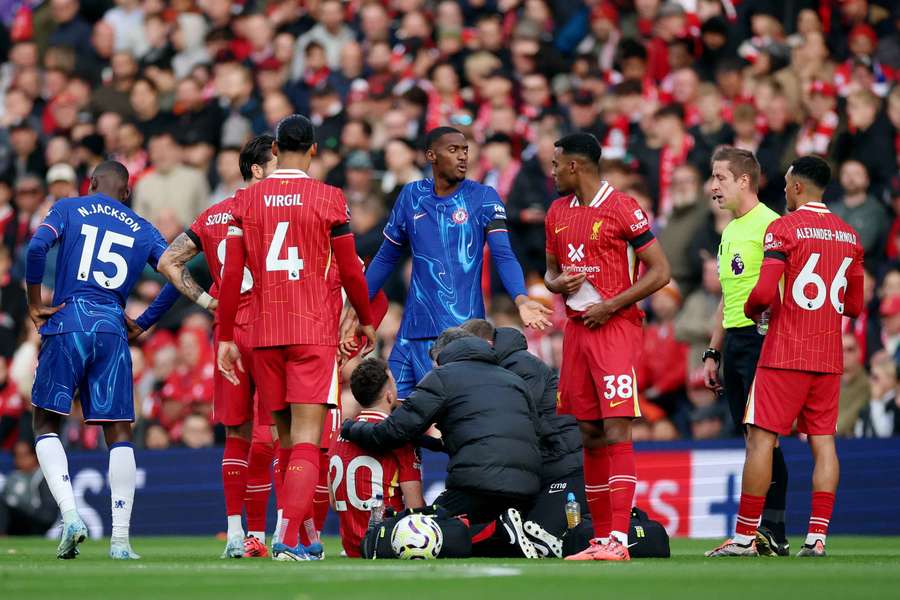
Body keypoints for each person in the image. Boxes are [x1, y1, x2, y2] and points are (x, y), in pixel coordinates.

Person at [216, 114, 376, 562]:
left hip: (264, 333)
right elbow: (348, 269)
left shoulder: (246, 201)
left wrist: (227, 334)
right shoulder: (328, 198)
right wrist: (364, 318)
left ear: (274, 151)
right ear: (311, 150)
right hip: (311, 330)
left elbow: (232, 275)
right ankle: (287, 537)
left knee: (285, 440)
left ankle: (303, 536)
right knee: (306, 439)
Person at [24, 161, 196, 560]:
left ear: (92, 184)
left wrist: (35, 304)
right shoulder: (142, 227)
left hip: (69, 321)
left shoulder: (69, 207)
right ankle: (120, 541)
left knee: (46, 420)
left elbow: (35, 248)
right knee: (119, 431)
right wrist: (146, 322)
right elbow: (175, 272)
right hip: (113, 330)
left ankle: (69, 515)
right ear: (125, 193)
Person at [707, 155, 864, 557]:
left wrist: (752, 309)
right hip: (828, 353)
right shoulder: (850, 235)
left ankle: (745, 537)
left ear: (796, 187)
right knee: (823, 442)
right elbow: (855, 306)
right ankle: (816, 538)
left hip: (785, 350)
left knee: (760, 439)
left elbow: (761, 294)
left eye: (787, 184)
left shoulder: (783, 228)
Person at [344, 126, 551, 401]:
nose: (462, 156)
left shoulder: (484, 197)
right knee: (391, 409)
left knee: (449, 420)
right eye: (453, 150)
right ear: (431, 155)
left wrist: (521, 298)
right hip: (412, 330)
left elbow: (503, 253)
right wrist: (358, 306)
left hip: (460, 334)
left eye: (465, 150)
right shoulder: (411, 196)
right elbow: (386, 256)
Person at [543, 133, 671, 561]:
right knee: (589, 432)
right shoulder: (557, 211)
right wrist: (555, 284)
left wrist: (611, 304)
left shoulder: (622, 206)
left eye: (556, 163)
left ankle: (619, 538)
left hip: (616, 328)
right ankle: (600, 539)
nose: (552, 171)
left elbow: (660, 272)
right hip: (578, 331)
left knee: (616, 427)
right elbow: (549, 273)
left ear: (575, 166)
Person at [157, 135, 279, 559]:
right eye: (277, 163)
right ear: (259, 170)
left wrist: (209, 300)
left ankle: (232, 532)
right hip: (269, 326)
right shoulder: (274, 211)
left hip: (226, 328)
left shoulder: (212, 215)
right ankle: (260, 536)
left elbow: (168, 261)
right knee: (268, 431)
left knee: (235, 433)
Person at [340, 328, 542, 554]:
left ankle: (500, 532)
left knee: (421, 531)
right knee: (469, 532)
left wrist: (351, 427)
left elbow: (391, 432)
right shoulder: (513, 379)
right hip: (527, 487)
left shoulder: (444, 376)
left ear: (442, 355)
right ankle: (504, 532)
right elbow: (514, 433)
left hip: (477, 485)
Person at [701, 146, 789, 555]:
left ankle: (767, 530)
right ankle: (769, 533)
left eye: (719, 177)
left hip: (762, 340)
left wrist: (774, 338)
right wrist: (712, 352)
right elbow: (727, 297)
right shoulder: (731, 231)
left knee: (762, 439)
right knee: (752, 439)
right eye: (712, 178)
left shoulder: (772, 226)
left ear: (744, 181)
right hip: (735, 341)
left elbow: (784, 292)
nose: (712, 186)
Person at [459, 318, 584, 547]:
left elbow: (515, 418)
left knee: (542, 536)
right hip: (545, 465)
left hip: (563, 465)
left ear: (485, 344)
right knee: (516, 533)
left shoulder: (520, 365)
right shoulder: (504, 367)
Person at [328, 358, 424, 558]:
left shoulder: (339, 435)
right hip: (388, 545)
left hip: (352, 547)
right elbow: (415, 508)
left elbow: (333, 502)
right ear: (389, 395)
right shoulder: (399, 439)